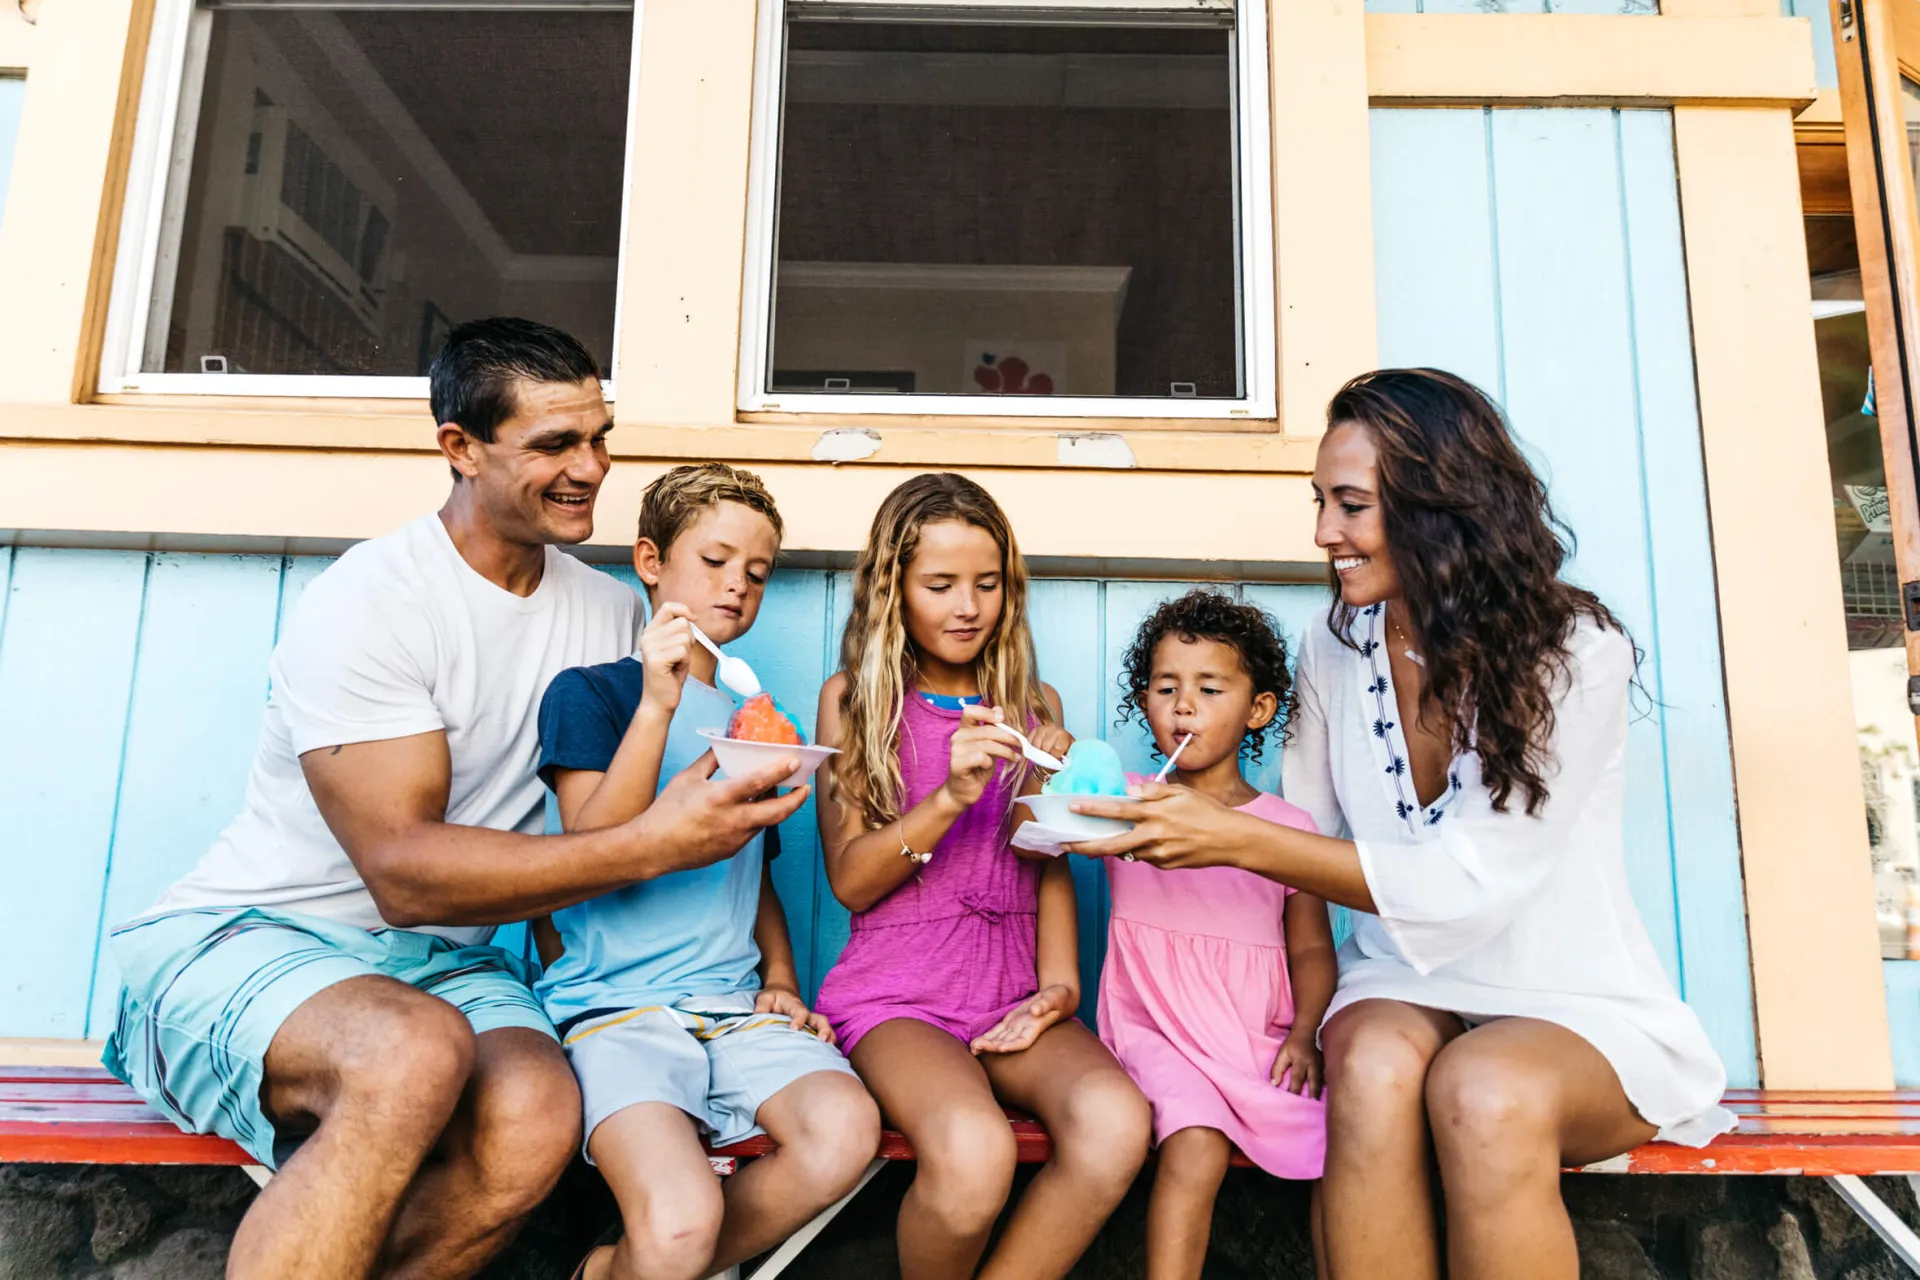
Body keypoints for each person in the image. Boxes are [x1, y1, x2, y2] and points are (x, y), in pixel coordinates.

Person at [101, 319, 808, 1280]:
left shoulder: (609, 615)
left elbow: (589, 818)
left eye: (600, 438)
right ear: (460, 448)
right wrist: (662, 843)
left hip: (443, 966)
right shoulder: (374, 599)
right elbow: (403, 875)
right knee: (412, 1054)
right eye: (555, 444)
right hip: (253, 937)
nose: (590, 468)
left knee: (536, 1112)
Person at [1068, 369, 1733, 1280]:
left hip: (1567, 999)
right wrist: (1146, 819)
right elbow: (1298, 822)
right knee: (1372, 1063)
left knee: (1484, 1088)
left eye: (1350, 505)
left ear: (1440, 507)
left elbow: (1469, 886)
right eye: (1319, 502)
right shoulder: (1336, 643)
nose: (1322, 534)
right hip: (1400, 981)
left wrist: (1233, 838)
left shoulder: (1575, 652)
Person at [533, 464, 880, 1280]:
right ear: (651, 561)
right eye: (716, 562)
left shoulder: (755, 723)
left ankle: (620, 1271)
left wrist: (784, 979)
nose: (737, 587)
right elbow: (590, 852)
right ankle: (660, 1259)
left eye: (756, 575)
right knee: (683, 1222)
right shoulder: (593, 695)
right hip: (615, 1012)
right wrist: (659, 701)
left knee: (844, 1132)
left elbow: (751, 869)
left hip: (734, 1011)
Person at [811, 473, 1151, 1280]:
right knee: (973, 1154)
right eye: (940, 584)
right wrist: (953, 796)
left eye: (987, 583)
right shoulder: (854, 703)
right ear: (894, 590)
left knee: (1115, 1123)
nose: (968, 605)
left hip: (1012, 994)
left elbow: (1046, 864)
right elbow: (852, 882)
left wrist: (1061, 990)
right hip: (899, 999)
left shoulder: (1034, 705)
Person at [1099, 589, 1335, 1280]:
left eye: (1208, 688)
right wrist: (1058, 760)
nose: (1183, 706)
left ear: (1257, 708)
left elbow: (1313, 949)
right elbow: (1042, 833)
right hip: (1156, 1029)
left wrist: (1305, 1033)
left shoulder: (1288, 829)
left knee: (1350, 1140)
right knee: (1197, 1141)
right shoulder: (1127, 802)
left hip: (1255, 1032)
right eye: (1165, 687)